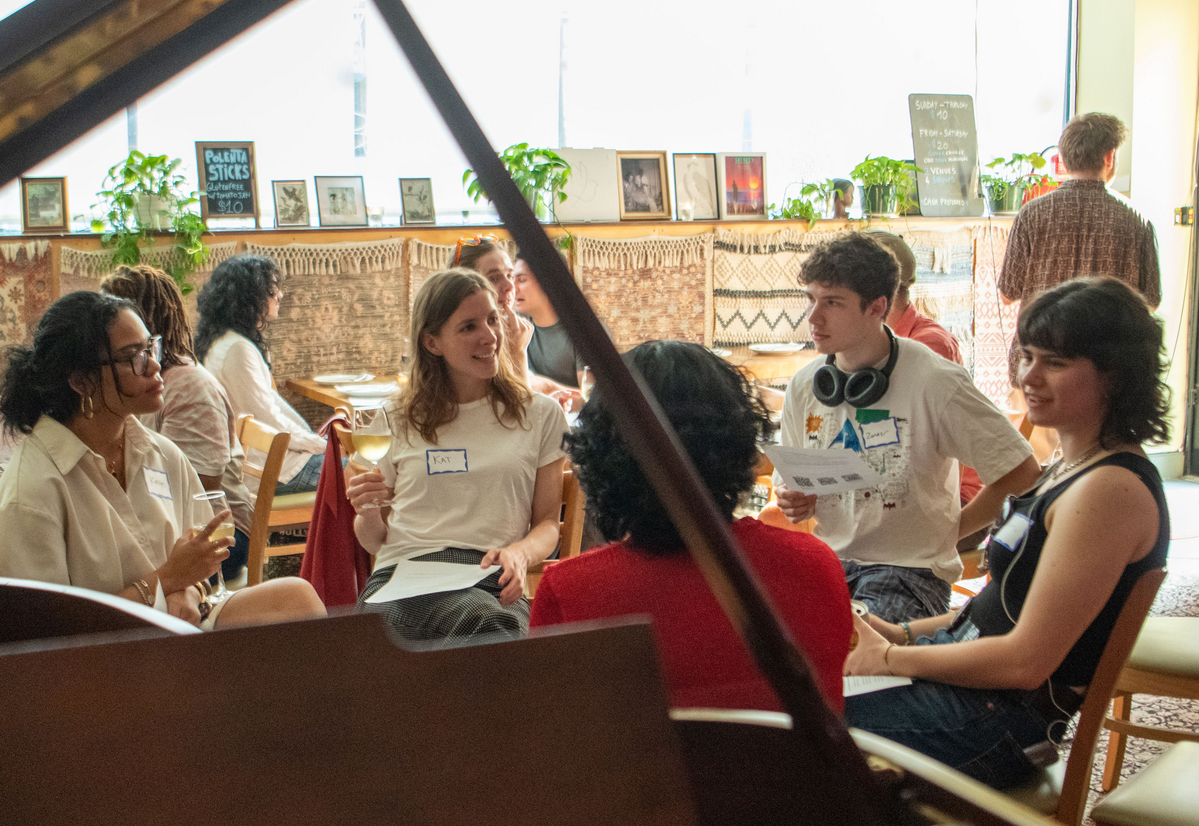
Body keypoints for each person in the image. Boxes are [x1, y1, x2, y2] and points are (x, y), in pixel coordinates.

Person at [845, 277, 1171, 790]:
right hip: (973, 695)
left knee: (787, 721)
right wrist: (899, 633)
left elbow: (1025, 662)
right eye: (1029, 357)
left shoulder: (1109, 491)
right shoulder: (1070, 466)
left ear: (1116, 376)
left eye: (1055, 363)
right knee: (789, 684)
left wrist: (888, 659)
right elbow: (1003, 604)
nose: (1029, 377)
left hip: (996, 722)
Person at [530, 341, 854, 711]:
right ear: (739, 443)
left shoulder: (568, 595)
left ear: (601, 459)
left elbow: (553, 730)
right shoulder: (816, 567)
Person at [0, 291, 325, 629]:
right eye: (133, 357)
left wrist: (189, 591)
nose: (155, 365)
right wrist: (165, 582)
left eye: (151, 348)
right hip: (106, 652)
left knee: (298, 597)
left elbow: (199, 563)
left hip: (177, 627)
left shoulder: (161, 454)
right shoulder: (31, 492)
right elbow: (50, 635)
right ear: (82, 381)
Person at [774, 233, 1040, 622]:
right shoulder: (804, 385)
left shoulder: (935, 380)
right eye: (810, 299)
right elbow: (790, 485)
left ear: (877, 307)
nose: (813, 318)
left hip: (911, 572)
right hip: (830, 562)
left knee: (859, 646)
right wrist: (791, 497)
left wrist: (950, 532)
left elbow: (1023, 471)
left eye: (832, 303)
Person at [346, 268, 567, 644]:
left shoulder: (540, 414)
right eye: (469, 327)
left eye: (493, 319)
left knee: (488, 624)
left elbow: (548, 522)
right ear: (432, 342)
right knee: (377, 641)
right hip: (403, 576)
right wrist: (366, 513)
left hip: (489, 576)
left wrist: (520, 554)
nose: (490, 336)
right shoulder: (397, 417)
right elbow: (375, 541)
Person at [101, 264, 254, 581]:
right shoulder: (133, 384)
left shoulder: (189, 388)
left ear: (140, 322)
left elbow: (197, 494)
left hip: (219, 537)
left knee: (110, 570)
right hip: (169, 526)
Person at [999, 113, 1161, 384]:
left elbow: (1008, 293)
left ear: (1063, 159)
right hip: (1106, 371)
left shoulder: (1031, 214)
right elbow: (1151, 301)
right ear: (1109, 157)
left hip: (1039, 365)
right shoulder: (1137, 221)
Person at [195, 255, 327, 496]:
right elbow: (267, 418)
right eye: (272, 290)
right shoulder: (237, 350)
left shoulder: (224, 341)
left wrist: (313, 441)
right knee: (361, 476)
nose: (280, 295)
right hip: (269, 470)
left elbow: (271, 407)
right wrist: (319, 445)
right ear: (249, 297)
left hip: (267, 463)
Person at [867, 231, 982, 505]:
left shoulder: (929, 345)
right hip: (896, 485)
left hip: (945, 497)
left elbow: (904, 442)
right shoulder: (868, 342)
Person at [449, 235, 533, 378]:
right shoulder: (470, 343)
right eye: (494, 278)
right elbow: (517, 394)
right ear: (462, 286)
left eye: (510, 276)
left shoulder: (513, 331)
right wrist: (518, 355)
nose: (510, 286)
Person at [513, 257, 582, 391]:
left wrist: (549, 387)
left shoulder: (584, 331)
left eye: (521, 280)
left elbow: (592, 399)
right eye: (512, 279)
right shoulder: (514, 324)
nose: (513, 288)